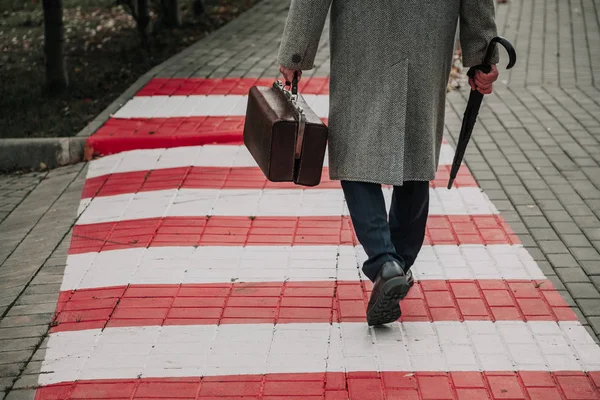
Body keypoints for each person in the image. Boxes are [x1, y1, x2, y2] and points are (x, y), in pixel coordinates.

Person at [277, 1, 500, 326]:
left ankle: (385, 263)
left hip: (363, 30)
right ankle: (399, 265)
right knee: (414, 142)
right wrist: (482, 54)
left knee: (355, 143)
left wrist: (296, 52)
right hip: (427, 33)